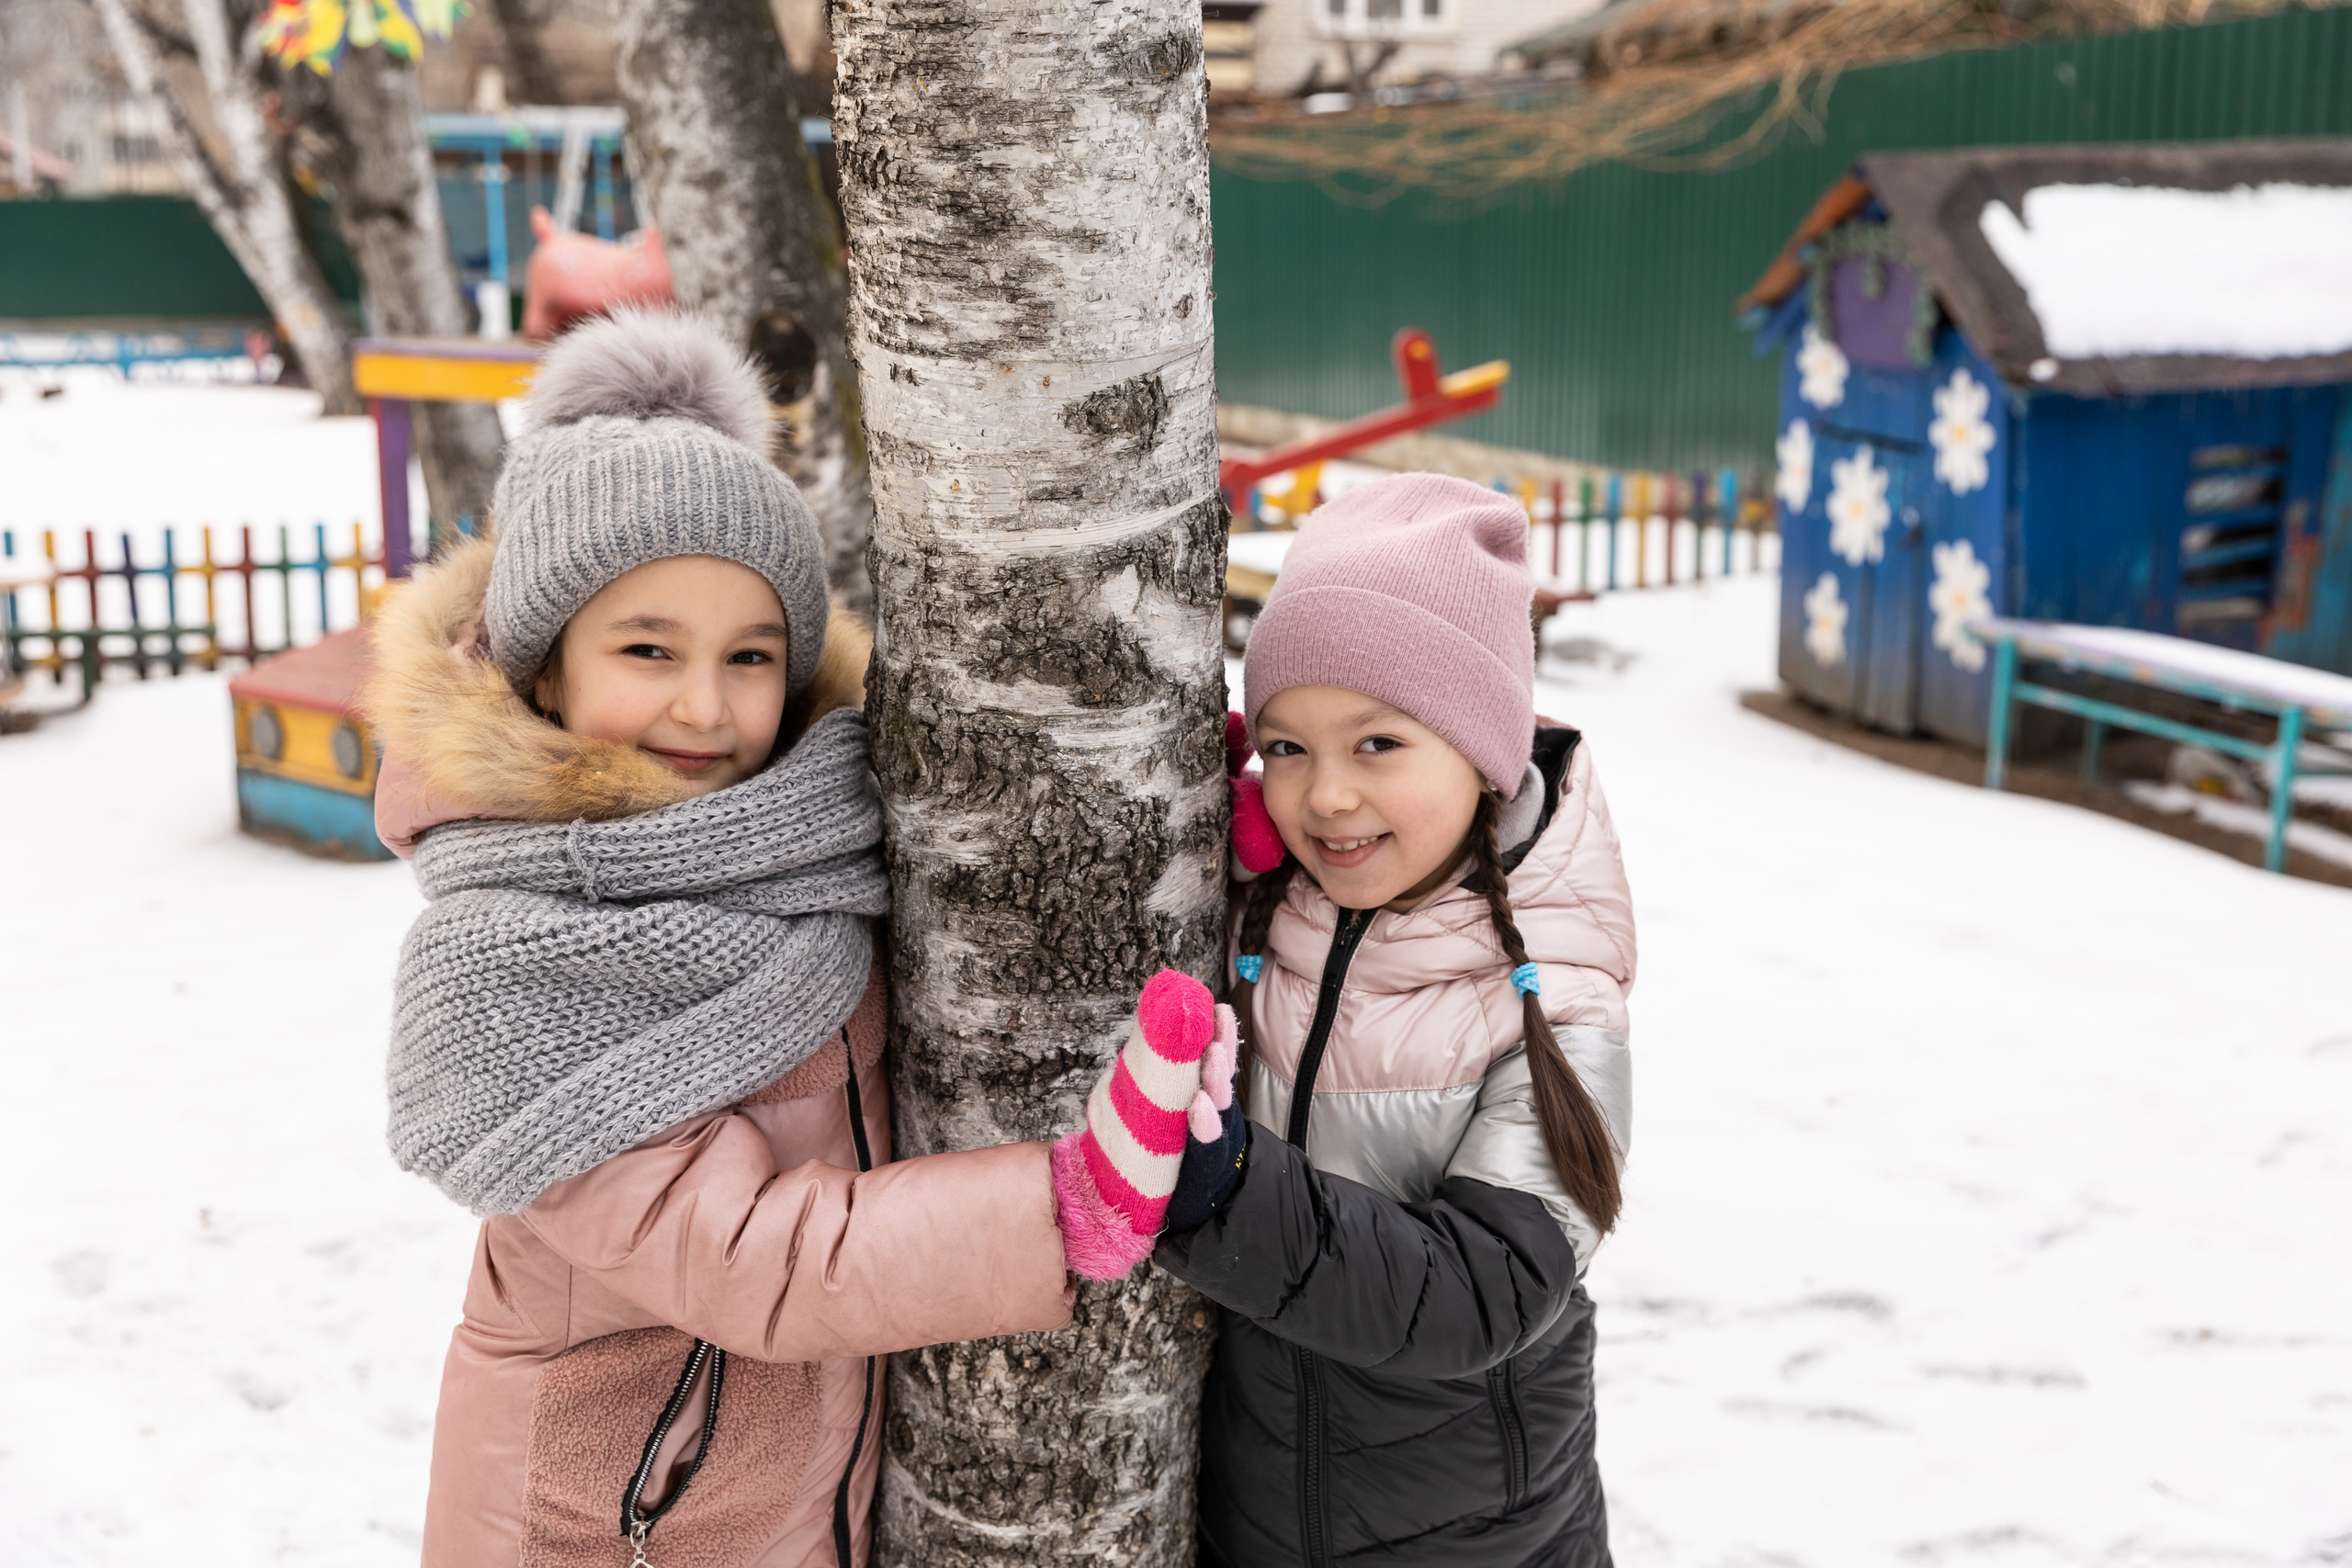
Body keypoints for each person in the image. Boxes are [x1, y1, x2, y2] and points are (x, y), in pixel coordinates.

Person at [368, 308, 1227, 1568]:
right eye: (647, 648)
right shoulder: (517, 959)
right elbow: (751, 1257)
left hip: (777, 1500)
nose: (706, 705)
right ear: (544, 667)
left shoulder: (797, 835)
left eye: (751, 653)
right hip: (599, 1532)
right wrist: (1062, 1201)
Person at [1155, 473, 1638, 1567]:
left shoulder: (1557, 995)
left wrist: (1231, 1192)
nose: (1324, 795)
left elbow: (1485, 1291)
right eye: (1286, 747)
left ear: (1481, 755)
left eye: (1377, 745)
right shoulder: (1270, 906)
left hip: (1478, 1540)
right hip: (1259, 1510)